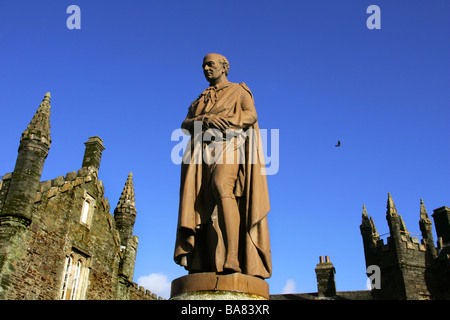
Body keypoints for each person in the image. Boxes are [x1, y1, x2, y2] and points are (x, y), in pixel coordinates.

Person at [174, 53, 271, 279]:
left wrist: (228, 122)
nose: (206, 69)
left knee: (222, 187)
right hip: (200, 152)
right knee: (201, 201)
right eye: (203, 66)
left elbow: (251, 115)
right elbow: (185, 124)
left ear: (224, 67)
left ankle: (233, 257)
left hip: (229, 143)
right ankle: (204, 260)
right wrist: (204, 120)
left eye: (211, 64)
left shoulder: (239, 90)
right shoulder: (200, 99)